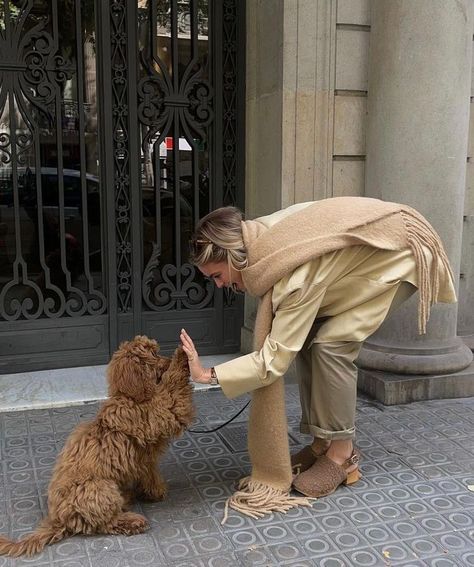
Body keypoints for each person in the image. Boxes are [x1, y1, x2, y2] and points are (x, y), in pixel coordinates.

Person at [180, 197, 456, 498]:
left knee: (332, 346)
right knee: (309, 338)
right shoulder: (257, 239)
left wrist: (208, 374)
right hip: (376, 243)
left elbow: (274, 360)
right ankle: (323, 442)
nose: (218, 285)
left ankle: (343, 456)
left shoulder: (293, 276)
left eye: (217, 276)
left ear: (234, 257)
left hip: (401, 250)